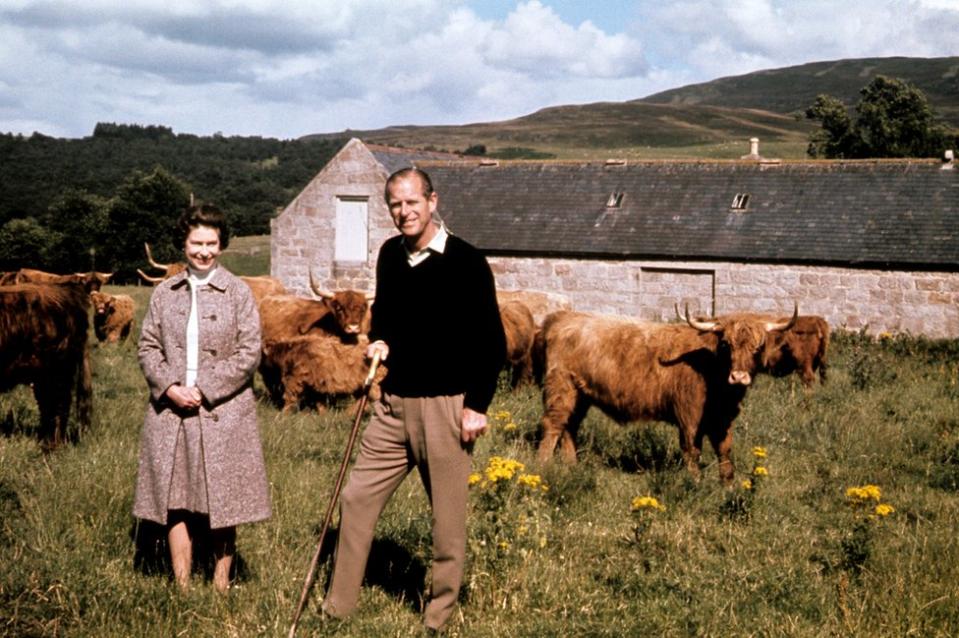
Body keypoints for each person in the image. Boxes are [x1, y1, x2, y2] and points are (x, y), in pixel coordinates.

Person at [322, 167, 507, 632]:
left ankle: (437, 618)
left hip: (446, 406)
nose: (403, 212)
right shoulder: (389, 254)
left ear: (432, 201)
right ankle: (338, 608)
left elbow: (492, 342)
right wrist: (381, 340)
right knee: (358, 497)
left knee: (446, 523)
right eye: (395, 205)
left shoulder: (466, 261)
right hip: (392, 404)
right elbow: (386, 313)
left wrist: (476, 406)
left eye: (412, 202)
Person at [133, 204, 271, 592]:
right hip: (171, 412)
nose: (204, 251)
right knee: (175, 499)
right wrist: (170, 387)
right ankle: (181, 584)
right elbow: (147, 347)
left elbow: (249, 352)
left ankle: (221, 582)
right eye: (197, 243)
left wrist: (206, 389)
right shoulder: (164, 293)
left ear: (222, 245)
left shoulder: (238, 292)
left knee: (222, 497)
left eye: (212, 243)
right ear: (184, 243)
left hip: (222, 412)